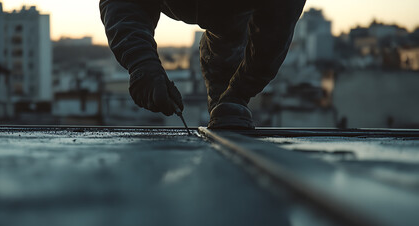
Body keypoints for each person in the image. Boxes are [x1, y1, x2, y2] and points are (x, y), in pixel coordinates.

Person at [100, 0, 306, 129]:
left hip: (231, 24)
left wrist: (240, 91)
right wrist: (142, 63)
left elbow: (276, 28)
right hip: (227, 23)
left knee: (228, 105)